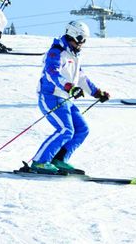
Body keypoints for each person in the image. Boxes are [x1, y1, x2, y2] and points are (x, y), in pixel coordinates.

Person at [28, 21, 110, 175]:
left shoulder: (74, 54)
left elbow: (81, 78)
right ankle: (39, 162)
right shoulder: (56, 52)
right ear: (71, 34)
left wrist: (97, 93)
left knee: (82, 129)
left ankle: (58, 159)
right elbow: (52, 73)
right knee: (65, 129)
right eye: (80, 38)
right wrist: (69, 87)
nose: (82, 43)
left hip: (66, 99)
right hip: (50, 96)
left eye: (84, 40)